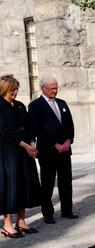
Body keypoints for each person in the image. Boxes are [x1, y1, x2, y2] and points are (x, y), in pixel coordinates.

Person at [28, 74, 76, 224]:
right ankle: (48, 213)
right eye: (52, 89)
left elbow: (69, 124)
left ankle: (67, 210)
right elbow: (38, 129)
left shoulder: (62, 103)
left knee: (66, 181)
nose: (55, 91)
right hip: (48, 151)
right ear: (43, 88)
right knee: (47, 183)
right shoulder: (35, 106)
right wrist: (55, 145)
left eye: (56, 88)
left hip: (65, 150)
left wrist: (68, 141)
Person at [0, 75, 40, 238]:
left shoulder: (20, 106)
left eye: (17, 89)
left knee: (24, 184)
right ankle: (7, 224)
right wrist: (25, 145)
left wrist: (32, 143)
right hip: (7, 154)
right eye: (12, 90)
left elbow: (29, 127)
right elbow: (4, 132)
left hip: (24, 152)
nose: (15, 92)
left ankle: (21, 221)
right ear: (4, 89)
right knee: (10, 187)